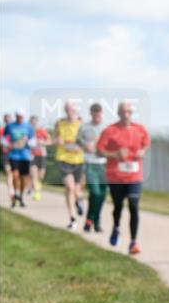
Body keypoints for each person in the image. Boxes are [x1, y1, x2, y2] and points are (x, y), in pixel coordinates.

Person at [97, 102, 150, 255]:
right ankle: (116, 227)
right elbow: (99, 151)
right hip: (116, 176)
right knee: (118, 206)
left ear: (132, 113)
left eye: (129, 112)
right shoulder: (110, 131)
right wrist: (114, 155)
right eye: (123, 112)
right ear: (119, 113)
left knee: (133, 205)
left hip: (134, 175)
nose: (126, 115)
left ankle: (133, 242)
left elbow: (146, 144)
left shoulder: (140, 129)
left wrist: (143, 151)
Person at [53, 102, 86, 229]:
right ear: (65, 110)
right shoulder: (59, 123)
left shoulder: (81, 124)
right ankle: (72, 219)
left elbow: (87, 141)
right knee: (69, 188)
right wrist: (57, 140)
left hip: (78, 159)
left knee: (77, 190)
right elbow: (55, 138)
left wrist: (80, 147)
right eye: (67, 109)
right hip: (63, 158)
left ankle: (79, 200)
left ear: (75, 110)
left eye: (71, 109)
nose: (69, 111)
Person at [78, 103, 109, 232]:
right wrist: (85, 146)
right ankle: (92, 220)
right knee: (95, 192)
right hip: (90, 162)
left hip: (104, 163)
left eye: (99, 113)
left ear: (101, 113)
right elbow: (78, 140)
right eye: (94, 113)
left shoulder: (107, 128)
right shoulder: (84, 127)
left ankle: (93, 221)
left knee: (102, 194)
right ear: (91, 113)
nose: (97, 115)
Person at [2, 110, 35, 207]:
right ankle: (15, 193)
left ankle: (21, 196)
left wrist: (27, 141)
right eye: (18, 116)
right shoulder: (10, 126)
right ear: (16, 116)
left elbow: (34, 140)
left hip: (25, 155)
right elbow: (3, 138)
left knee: (24, 178)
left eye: (21, 116)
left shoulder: (28, 126)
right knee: (15, 175)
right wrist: (7, 144)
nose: (19, 118)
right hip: (14, 155)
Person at [29, 116, 50, 200]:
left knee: (41, 175)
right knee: (34, 174)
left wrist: (43, 142)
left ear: (38, 123)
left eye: (35, 123)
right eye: (32, 123)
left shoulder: (42, 131)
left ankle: (34, 185)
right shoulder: (28, 132)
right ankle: (37, 193)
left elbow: (49, 141)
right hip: (32, 155)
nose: (34, 124)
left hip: (42, 155)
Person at [1, 113, 13, 198]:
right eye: (6, 119)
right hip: (6, 154)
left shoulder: (16, 129)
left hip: (17, 155)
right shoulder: (2, 130)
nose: (7, 120)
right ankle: (11, 191)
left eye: (9, 118)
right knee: (9, 172)